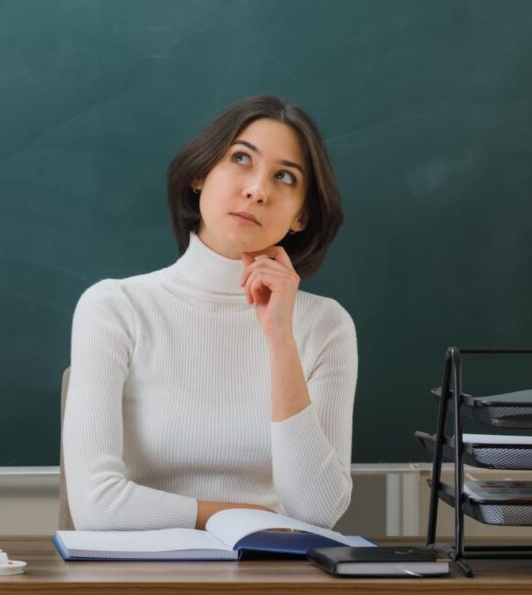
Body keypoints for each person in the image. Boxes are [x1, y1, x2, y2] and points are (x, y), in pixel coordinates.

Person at [62, 95, 357, 531]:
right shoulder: (113, 308)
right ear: (199, 175)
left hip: (273, 565)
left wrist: (280, 339)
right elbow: (95, 506)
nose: (257, 190)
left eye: (284, 177)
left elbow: (318, 512)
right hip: (139, 567)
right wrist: (235, 517)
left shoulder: (327, 326)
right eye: (241, 158)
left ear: (301, 216)